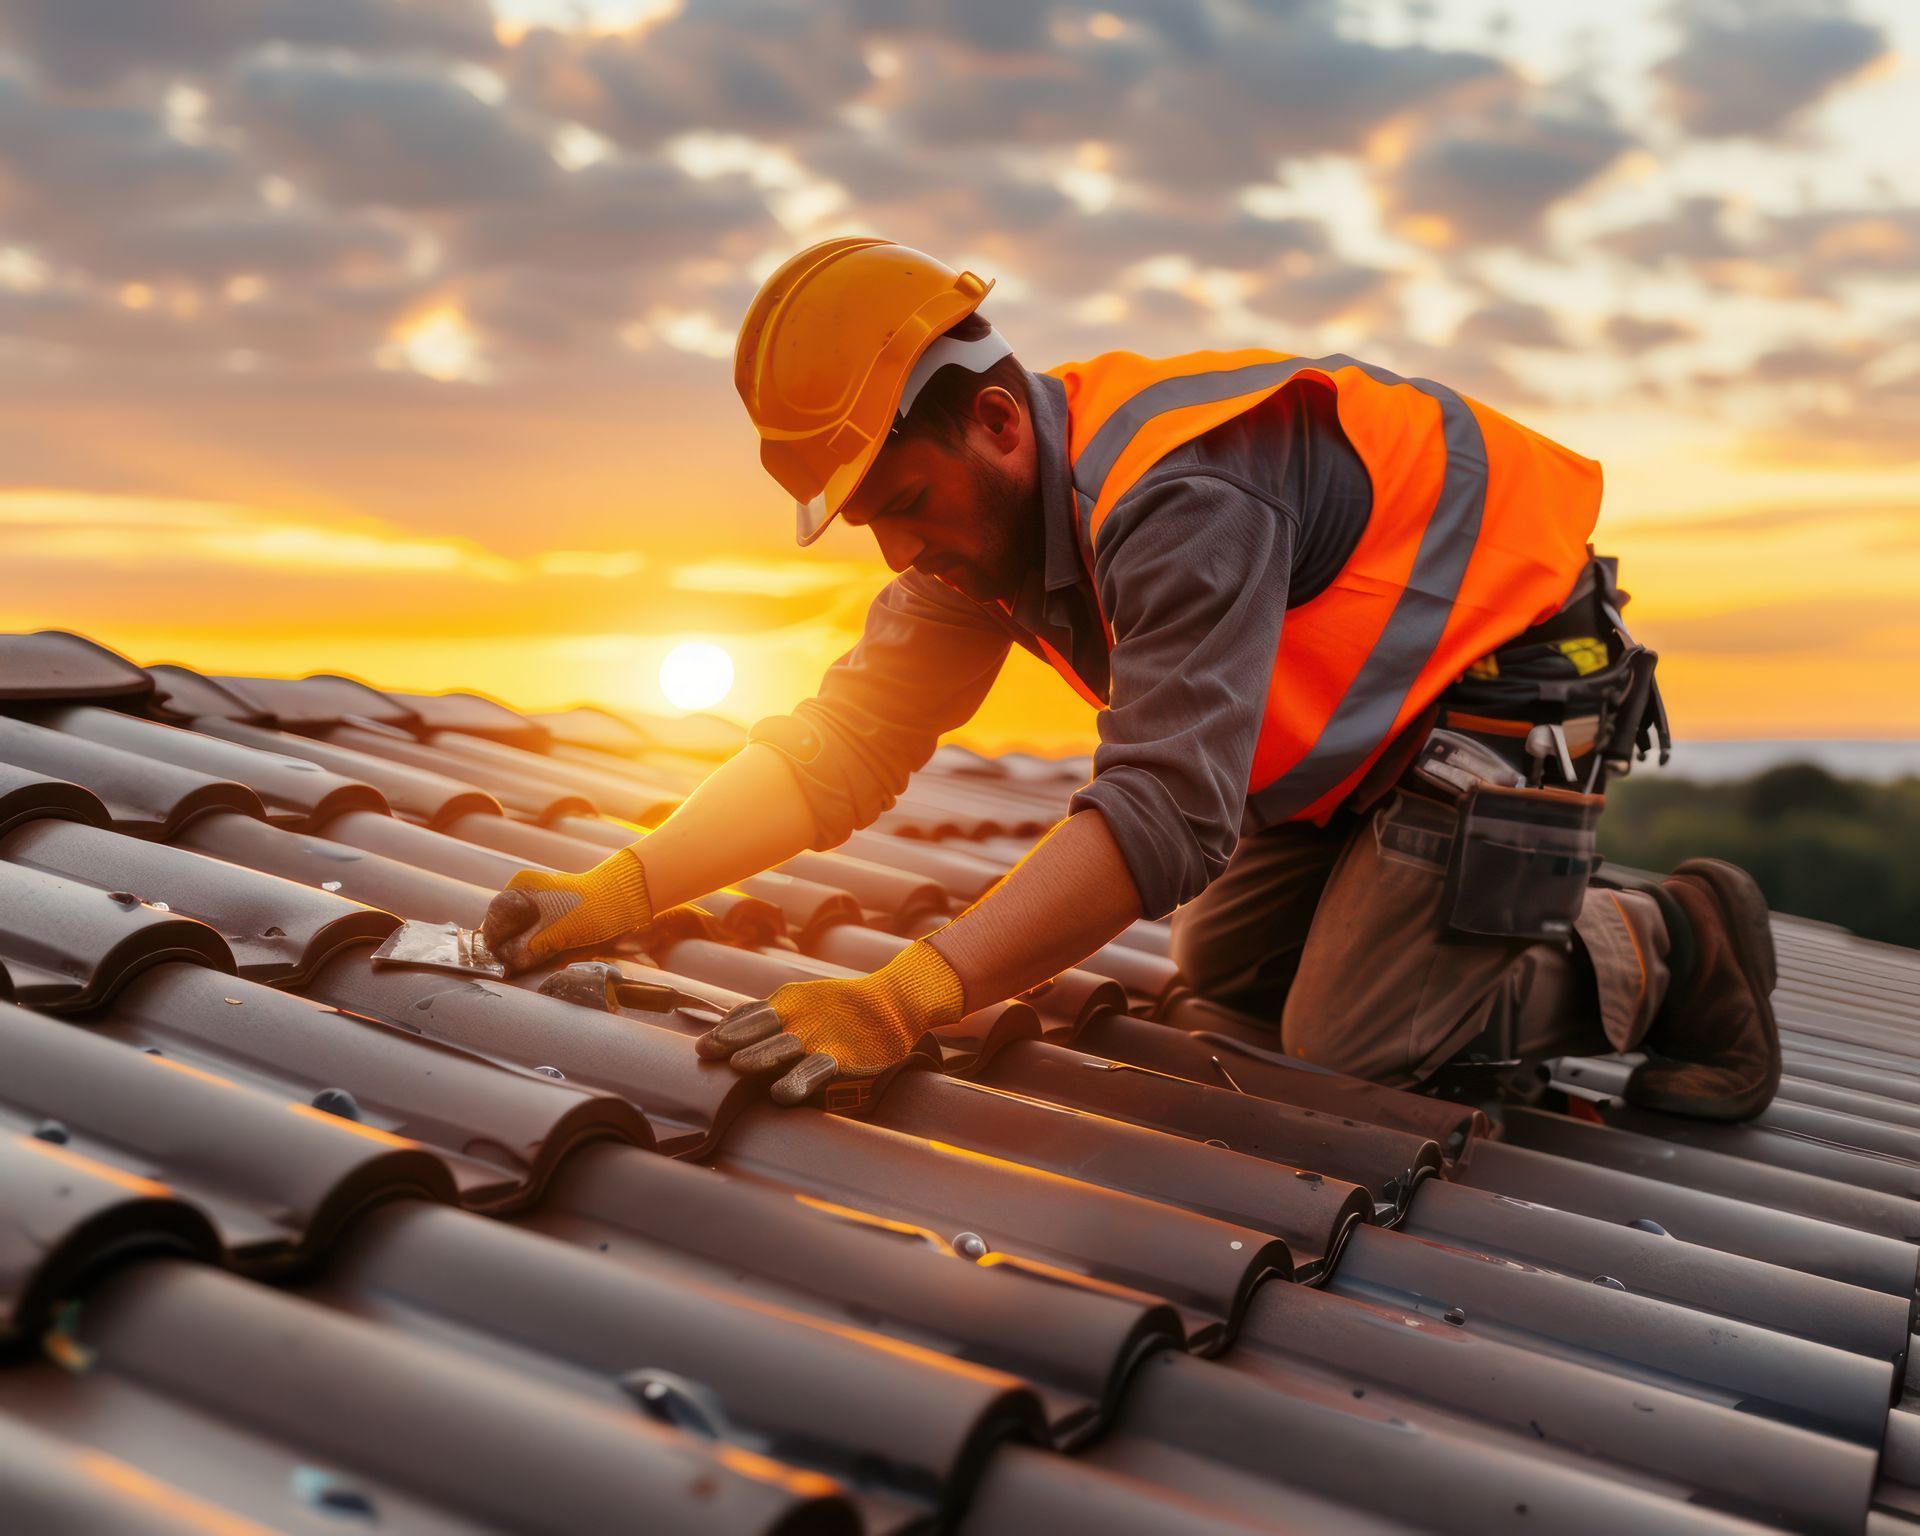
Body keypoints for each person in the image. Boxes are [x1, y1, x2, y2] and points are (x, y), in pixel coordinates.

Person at [482, 237, 1780, 1120]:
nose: (901, 547)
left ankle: (1678, 945)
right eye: (870, 517)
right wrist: (624, 886)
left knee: (1349, 1048)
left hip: (1517, 669)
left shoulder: (1176, 493)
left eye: (909, 500)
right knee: (1221, 983)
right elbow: (850, 740)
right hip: (1385, 735)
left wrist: (910, 995)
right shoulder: (977, 536)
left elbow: (1164, 811)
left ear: (996, 423)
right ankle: (1459, 915)